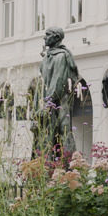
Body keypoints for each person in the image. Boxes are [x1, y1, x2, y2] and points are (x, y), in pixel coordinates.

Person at [32, 27, 79, 158]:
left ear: (57, 37)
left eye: (48, 35)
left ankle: (68, 162)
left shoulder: (61, 57)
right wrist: (37, 104)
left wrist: (48, 104)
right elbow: (41, 82)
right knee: (45, 133)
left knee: (63, 129)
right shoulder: (46, 58)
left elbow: (58, 81)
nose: (44, 37)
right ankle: (44, 164)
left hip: (59, 101)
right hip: (49, 101)